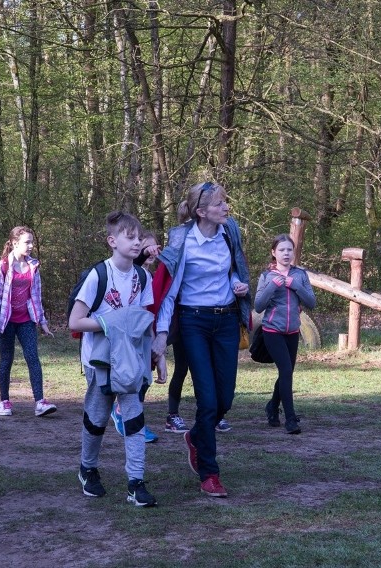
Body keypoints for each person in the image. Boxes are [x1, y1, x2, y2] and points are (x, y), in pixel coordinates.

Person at [151, 180, 251, 498]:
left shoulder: (229, 231)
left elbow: (234, 268)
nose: (226, 207)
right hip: (193, 322)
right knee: (207, 400)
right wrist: (161, 334)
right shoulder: (183, 241)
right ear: (201, 211)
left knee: (225, 400)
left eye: (226, 202)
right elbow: (169, 293)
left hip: (226, 322)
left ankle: (195, 436)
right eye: (221, 203)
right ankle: (210, 473)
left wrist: (238, 283)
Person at [69, 211, 157, 507]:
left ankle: (136, 482)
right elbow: (75, 322)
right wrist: (111, 322)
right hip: (100, 360)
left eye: (139, 237)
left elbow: (145, 321)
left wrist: (156, 355)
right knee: (97, 418)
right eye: (129, 237)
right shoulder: (98, 275)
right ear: (112, 241)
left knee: (134, 418)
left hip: (131, 361)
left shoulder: (144, 277)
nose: (136, 243)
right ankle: (87, 468)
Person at [0, 226, 57, 418]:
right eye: (27, 242)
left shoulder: (33, 266)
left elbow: (36, 296)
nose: (31, 246)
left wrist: (42, 322)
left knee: (33, 358)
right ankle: (4, 402)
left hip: (26, 320)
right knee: (6, 360)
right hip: (5, 321)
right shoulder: (2, 266)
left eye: (32, 242)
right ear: (15, 243)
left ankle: (40, 402)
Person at [254, 234, 316, 434]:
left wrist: (294, 285)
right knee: (286, 371)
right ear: (274, 253)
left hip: (293, 331)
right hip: (272, 330)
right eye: (282, 250)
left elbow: (312, 303)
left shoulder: (300, 275)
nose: (286, 253)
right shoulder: (266, 277)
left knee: (286, 372)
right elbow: (258, 305)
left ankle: (272, 407)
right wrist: (274, 286)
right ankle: (290, 419)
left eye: (289, 249)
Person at [110, 230, 162, 444]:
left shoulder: (152, 275)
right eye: (145, 247)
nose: (150, 251)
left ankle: (125, 413)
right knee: (134, 377)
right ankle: (124, 416)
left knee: (144, 378)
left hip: (147, 332)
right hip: (127, 333)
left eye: (154, 247)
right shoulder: (131, 272)